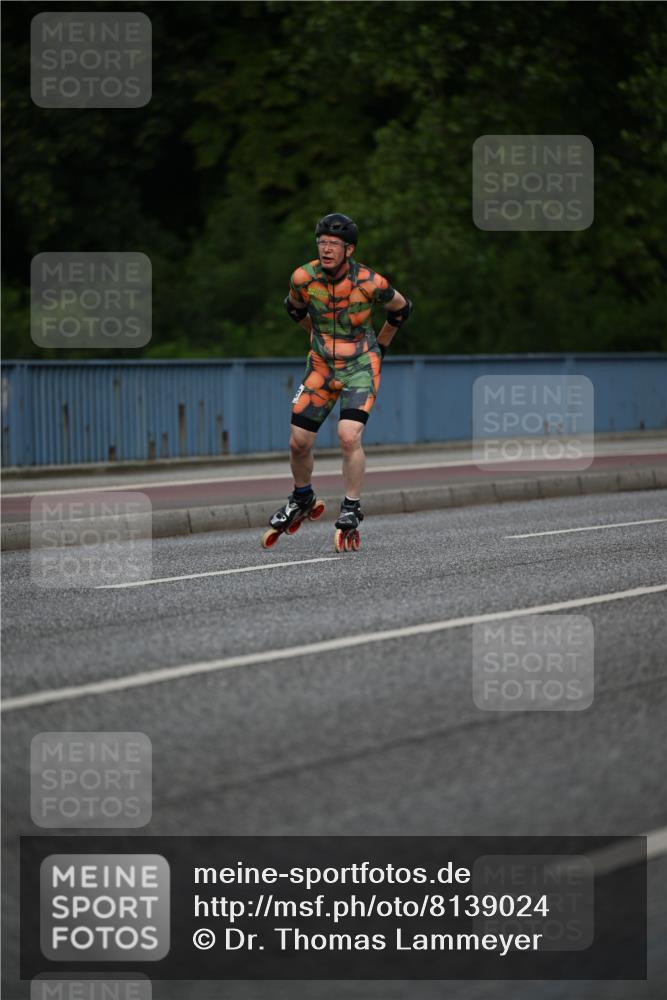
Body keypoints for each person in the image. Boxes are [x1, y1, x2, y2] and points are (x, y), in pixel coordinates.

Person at [267, 213, 412, 548]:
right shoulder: (303, 277)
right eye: (322, 243)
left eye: (333, 244)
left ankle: (351, 506)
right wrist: (316, 337)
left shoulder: (370, 282)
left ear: (349, 249)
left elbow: (402, 309)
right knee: (298, 442)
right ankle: (302, 497)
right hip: (321, 365)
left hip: (360, 364)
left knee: (348, 436)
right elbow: (293, 308)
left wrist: (383, 345)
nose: (326, 249)